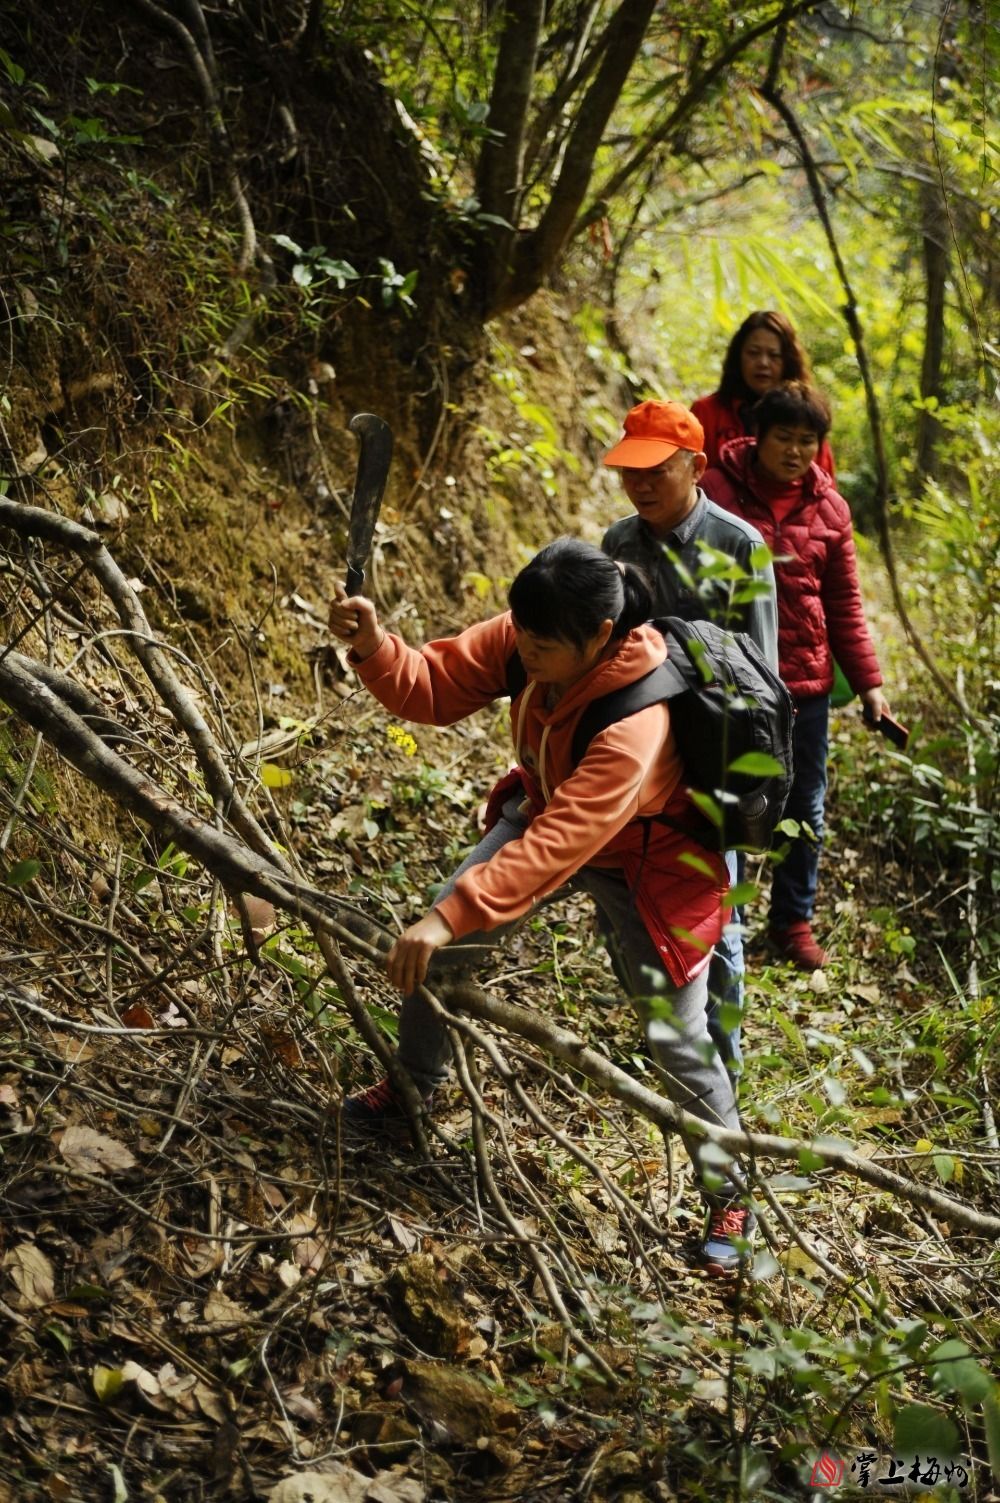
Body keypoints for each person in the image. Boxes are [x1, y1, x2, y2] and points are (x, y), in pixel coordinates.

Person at [328, 539, 756, 1274]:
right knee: (445, 945)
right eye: (520, 633)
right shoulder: (530, 634)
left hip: (650, 861)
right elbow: (433, 684)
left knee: (676, 1037)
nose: (524, 651)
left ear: (601, 635)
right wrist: (373, 646)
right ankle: (410, 1091)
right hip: (549, 801)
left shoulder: (636, 724)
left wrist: (446, 916)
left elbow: (557, 847)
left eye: (544, 644)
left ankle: (730, 1195)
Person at [600, 398, 779, 1078]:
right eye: (631, 472)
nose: (641, 485)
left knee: (715, 919)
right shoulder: (619, 543)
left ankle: (721, 1072)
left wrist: (749, 786)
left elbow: (761, 675)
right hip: (636, 758)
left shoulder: (739, 546)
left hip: (711, 759)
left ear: (697, 467)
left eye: (657, 471)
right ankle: (668, 1043)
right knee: (630, 905)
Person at [701, 381, 890, 970]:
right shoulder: (717, 490)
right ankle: (718, 915)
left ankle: (792, 920)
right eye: (785, 437)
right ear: (758, 435)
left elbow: (844, 604)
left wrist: (870, 685)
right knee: (722, 796)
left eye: (808, 441)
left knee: (803, 804)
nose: (795, 451)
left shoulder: (831, 509)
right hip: (728, 677)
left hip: (803, 686)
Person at [692, 310, 836, 478]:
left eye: (774, 355)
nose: (763, 363)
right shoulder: (707, 412)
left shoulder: (808, 417)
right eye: (753, 353)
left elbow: (824, 484)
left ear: (788, 361)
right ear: (738, 356)